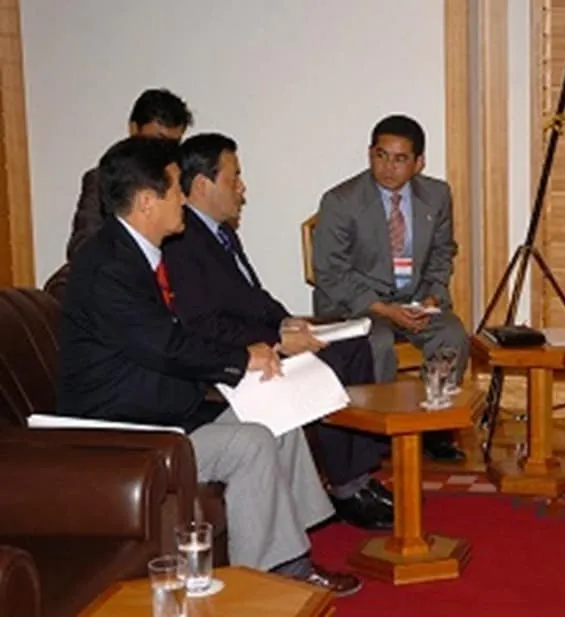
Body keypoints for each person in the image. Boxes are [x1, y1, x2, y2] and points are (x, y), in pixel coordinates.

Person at [57, 136, 362, 595]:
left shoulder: (139, 255)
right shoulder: (108, 269)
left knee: (278, 413)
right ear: (146, 202)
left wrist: (253, 357)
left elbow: (178, 339)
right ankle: (266, 584)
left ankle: (295, 549)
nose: (184, 198)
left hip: (166, 409)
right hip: (123, 430)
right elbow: (165, 345)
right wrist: (242, 358)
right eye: (177, 188)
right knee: (254, 443)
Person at [161, 132, 393, 530]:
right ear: (203, 184)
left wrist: (288, 321)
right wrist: (275, 341)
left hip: (268, 336)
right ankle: (346, 489)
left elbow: (254, 295)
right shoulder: (183, 244)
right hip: (243, 353)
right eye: (234, 178)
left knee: (357, 346)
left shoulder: (222, 232)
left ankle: (356, 478)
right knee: (335, 359)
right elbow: (203, 324)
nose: (242, 188)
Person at [312, 114, 468, 462]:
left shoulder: (437, 195)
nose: (388, 168)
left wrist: (432, 297)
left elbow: (443, 252)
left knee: (452, 335)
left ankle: (436, 429)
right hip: (358, 305)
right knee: (378, 342)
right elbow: (330, 272)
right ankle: (377, 435)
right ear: (370, 154)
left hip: (413, 300)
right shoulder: (341, 201)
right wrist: (383, 309)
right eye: (381, 156)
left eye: (400, 159)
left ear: (418, 163)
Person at [66, 88, 194, 260]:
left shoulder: (180, 181)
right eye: (157, 139)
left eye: (173, 144)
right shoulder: (103, 178)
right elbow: (82, 248)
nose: (162, 150)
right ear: (133, 128)